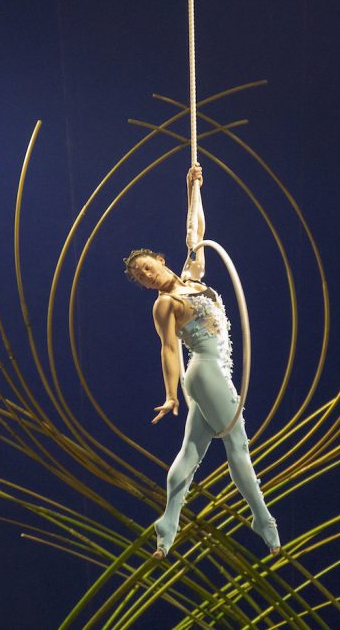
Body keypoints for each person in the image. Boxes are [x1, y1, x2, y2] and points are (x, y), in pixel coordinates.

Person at [123, 164, 280, 559]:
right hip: (204, 373)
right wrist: (171, 395)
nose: (148, 276)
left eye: (148, 266)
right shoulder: (165, 305)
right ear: (145, 286)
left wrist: (193, 186)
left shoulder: (193, 275)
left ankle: (167, 526)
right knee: (238, 446)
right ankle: (263, 518)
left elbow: (196, 234)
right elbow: (169, 350)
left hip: (213, 372)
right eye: (142, 277)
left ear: (160, 260)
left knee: (190, 454)